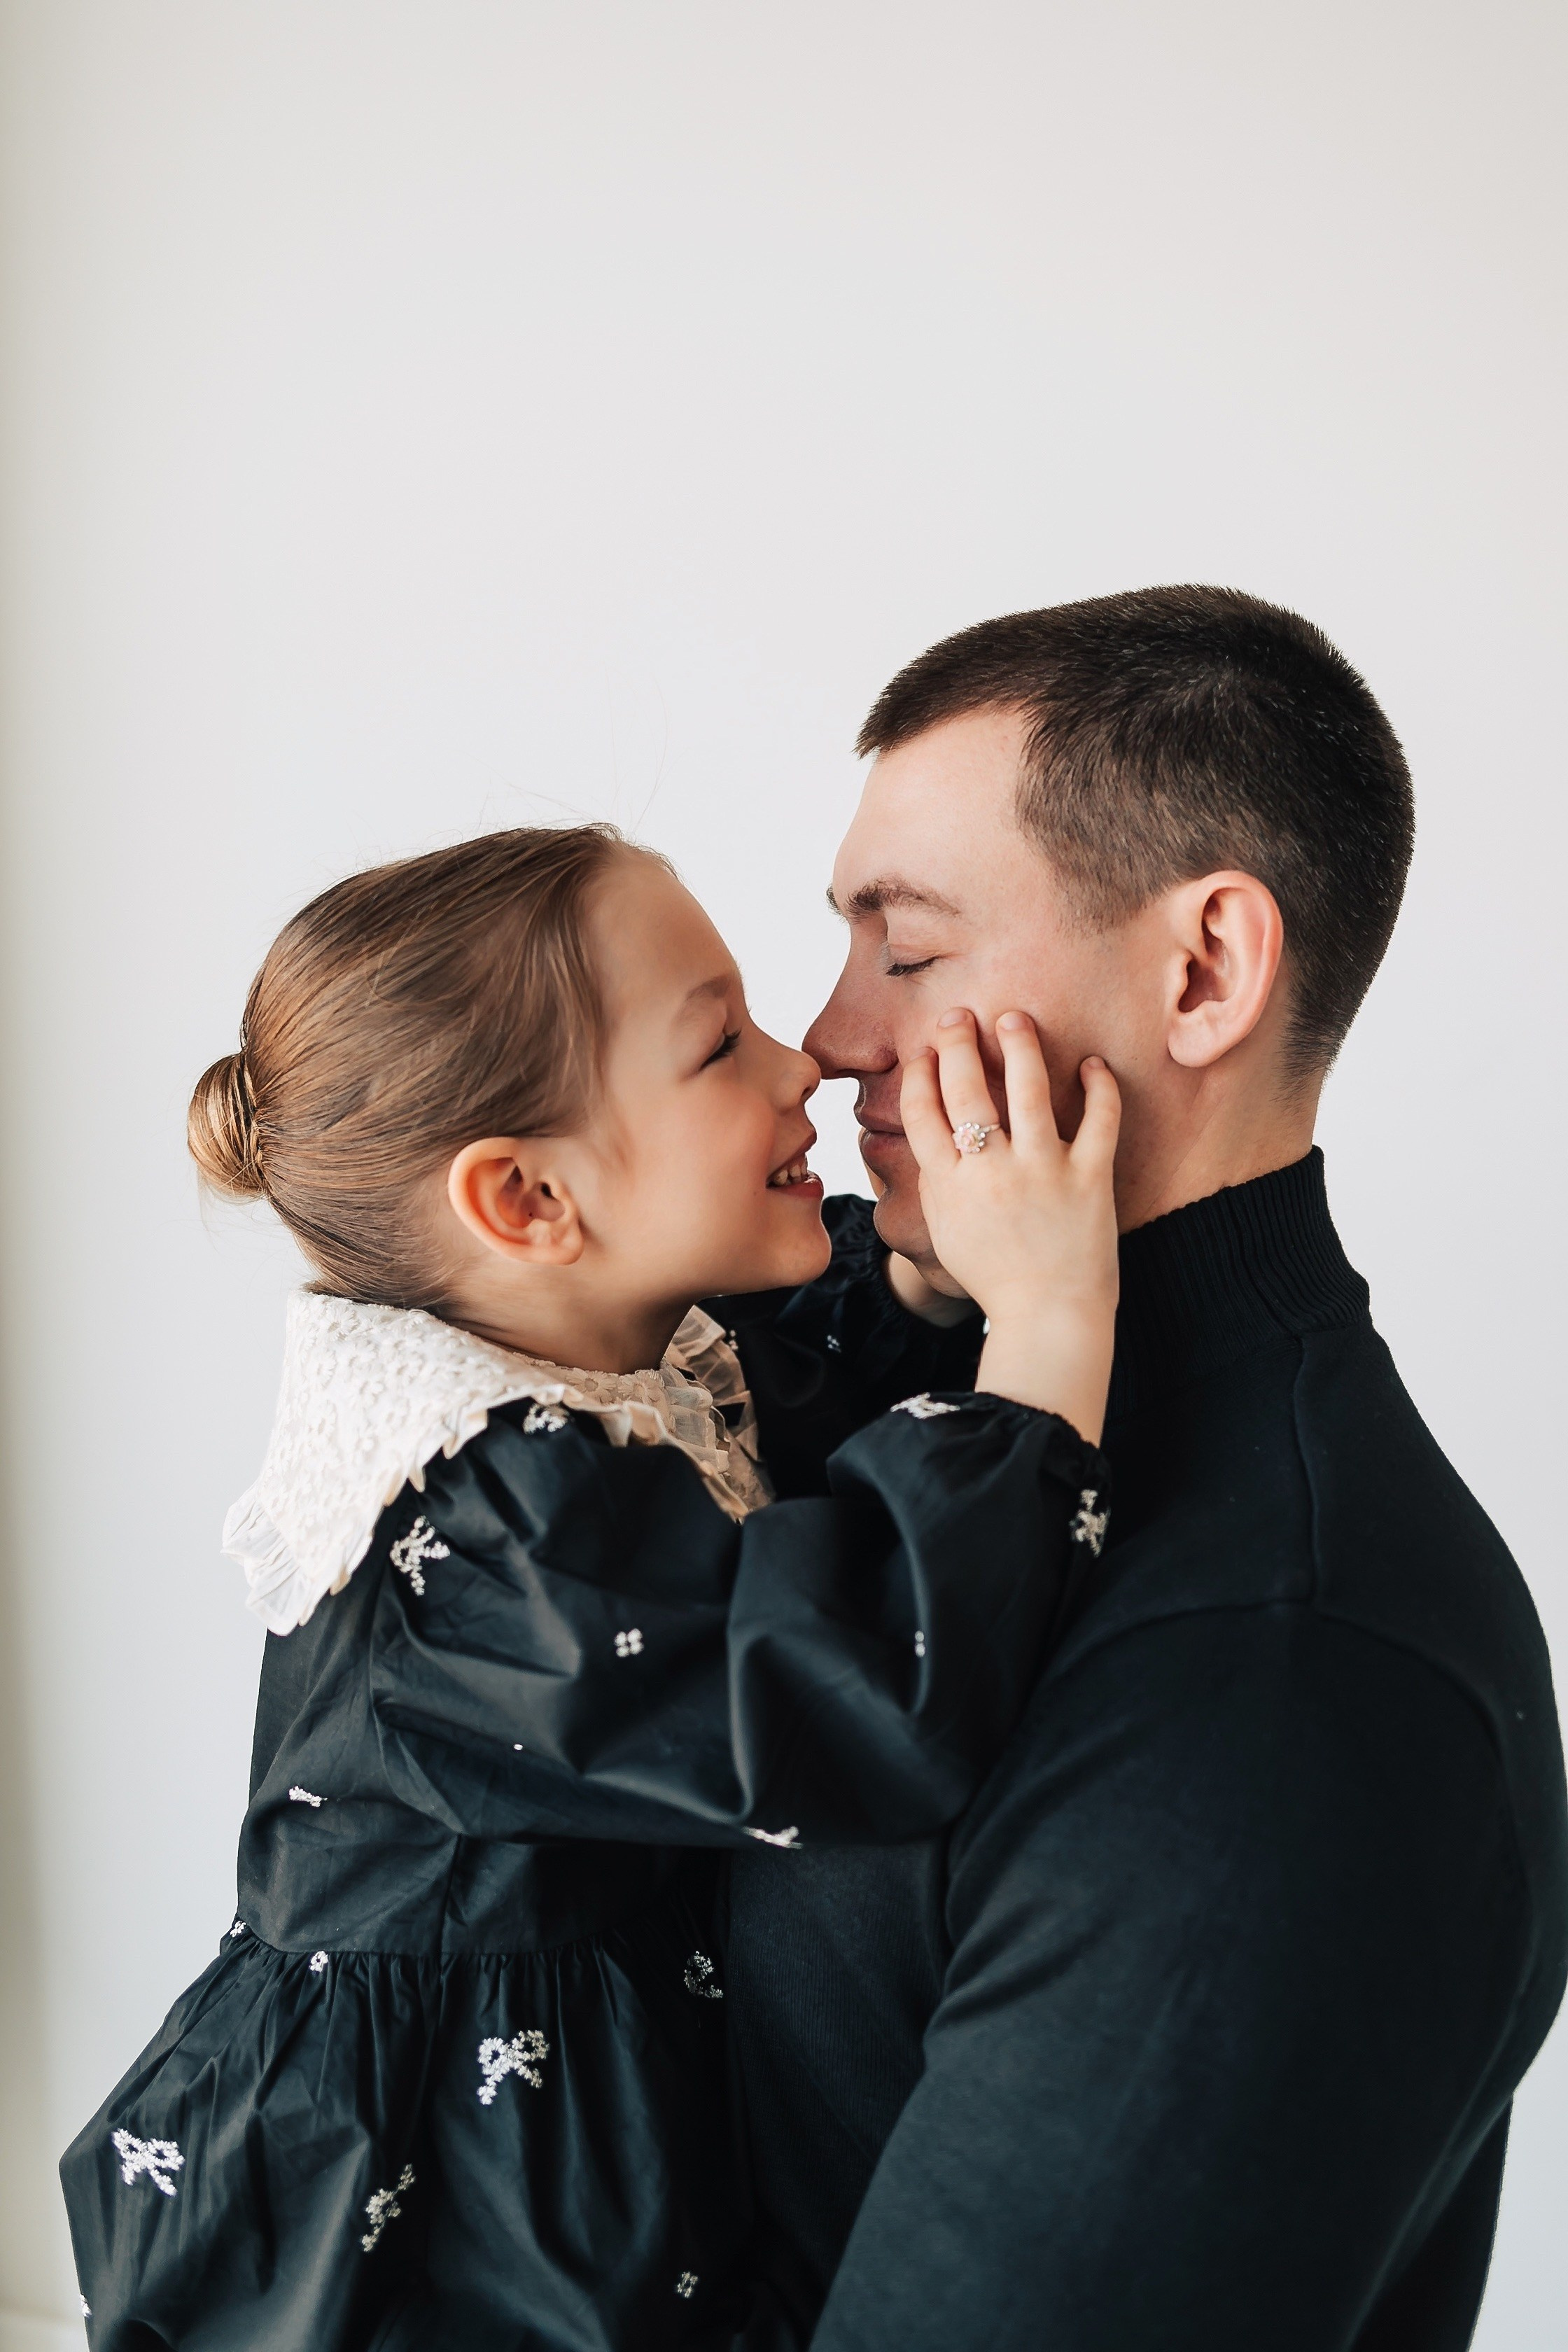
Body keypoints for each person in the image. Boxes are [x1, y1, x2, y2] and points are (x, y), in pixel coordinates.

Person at [59, 824, 1124, 2351]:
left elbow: (797, 1406)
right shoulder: (487, 1534)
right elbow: (856, 1687)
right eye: (717, 1045)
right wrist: (1045, 1320)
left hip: (592, 2120)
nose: (802, 1064)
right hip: (431, 2219)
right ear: (529, 1202)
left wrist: (920, 1284)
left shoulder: (636, 1364)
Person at [722, 587, 1568, 2351]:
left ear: (1201, 973)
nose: (827, 1039)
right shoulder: (892, 1379)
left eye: (910, 947)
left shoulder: (1286, 1689)